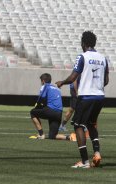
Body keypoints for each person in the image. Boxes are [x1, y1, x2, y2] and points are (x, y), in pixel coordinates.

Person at [56, 31, 109, 168]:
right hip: (100, 96)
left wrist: (62, 82)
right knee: (91, 124)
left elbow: (73, 77)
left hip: (86, 96)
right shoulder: (103, 58)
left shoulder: (82, 57)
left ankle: (85, 161)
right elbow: (106, 80)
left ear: (83, 43)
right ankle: (96, 152)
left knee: (78, 125)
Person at [30, 73, 74, 141]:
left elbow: (42, 98)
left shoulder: (45, 86)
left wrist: (37, 107)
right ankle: (69, 137)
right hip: (59, 113)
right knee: (52, 136)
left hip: (51, 110)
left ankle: (41, 134)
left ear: (43, 81)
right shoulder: (57, 89)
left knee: (32, 112)